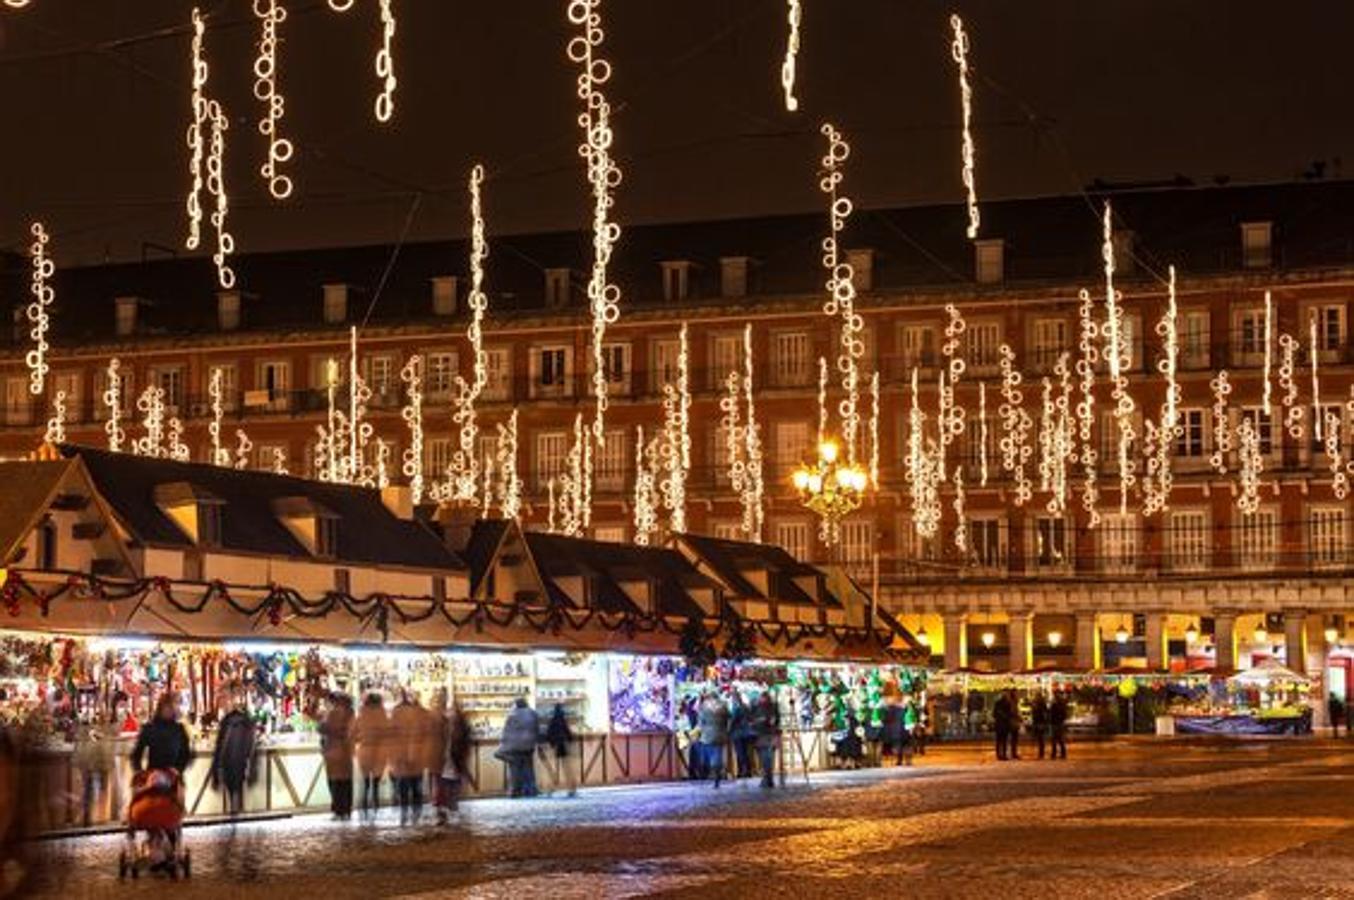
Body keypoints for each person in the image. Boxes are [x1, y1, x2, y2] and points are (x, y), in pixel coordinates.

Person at [210, 699, 256, 818]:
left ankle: (233, 811)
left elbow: (219, 746)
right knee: (238, 787)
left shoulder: (226, 722)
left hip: (228, 761)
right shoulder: (247, 722)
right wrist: (251, 767)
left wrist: (215, 771)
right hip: (241, 761)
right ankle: (238, 810)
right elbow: (251, 745)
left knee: (231, 788)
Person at [389, 691, 427, 824]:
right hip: (416, 755)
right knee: (416, 786)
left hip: (402, 756)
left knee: (403, 787)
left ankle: (404, 813)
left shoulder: (396, 713)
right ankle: (416, 813)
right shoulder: (416, 713)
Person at [132, 694, 192, 775]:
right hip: (154, 775)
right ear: (160, 708)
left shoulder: (179, 729)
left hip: (173, 776)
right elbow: (137, 754)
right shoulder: (150, 728)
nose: (169, 710)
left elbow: (186, 754)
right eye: (167, 707)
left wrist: (178, 770)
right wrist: (140, 772)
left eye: (171, 707)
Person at [353, 692, 390, 820]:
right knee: (375, 782)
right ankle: (375, 805)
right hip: (380, 751)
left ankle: (364, 805)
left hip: (365, 750)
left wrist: (361, 738)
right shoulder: (383, 715)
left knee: (365, 781)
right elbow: (388, 733)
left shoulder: (362, 715)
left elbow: (353, 734)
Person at [319, 693, 355, 820]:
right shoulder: (351, 714)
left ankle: (338, 810)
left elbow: (323, 728)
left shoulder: (333, 714)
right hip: (346, 753)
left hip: (334, 753)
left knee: (335, 783)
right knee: (346, 783)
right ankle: (346, 810)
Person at [73, 714, 114, 827]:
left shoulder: (87, 732)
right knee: (93, 790)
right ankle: (91, 817)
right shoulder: (95, 732)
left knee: (90, 790)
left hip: (91, 763)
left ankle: (90, 817)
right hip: (93, 763)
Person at [435, 700, 470, 822]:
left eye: (451, 710)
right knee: (447, 785)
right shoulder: (445, 725)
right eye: (449, 710)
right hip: (447, 760)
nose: (449, 713)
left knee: (452, 785)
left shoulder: (460, 726)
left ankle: (451, 808)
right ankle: (447, 809)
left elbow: (463, 745)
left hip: (454, 760)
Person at [498, 697, 540, 798]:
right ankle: (531, 790)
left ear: (516, 704)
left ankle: (515, 791)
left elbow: (506, 731)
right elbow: (537, 729)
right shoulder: (533, 713)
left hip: (514, 746)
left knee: (515, 768)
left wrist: (503, 744)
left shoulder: (512, 714)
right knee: (529, 767)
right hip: (529, 745)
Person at [697, 692, 730, 788]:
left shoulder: (704, 706)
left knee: (709, 753)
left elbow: (700, 721)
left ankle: (712, 769)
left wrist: (702, 730)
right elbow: (728, 718)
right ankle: (717, 772)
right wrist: (725, 729)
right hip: (720, 733)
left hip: (707, 734)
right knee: (718, 753)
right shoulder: (723, 705)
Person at [545, 703, 577, 797]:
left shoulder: (552, 721)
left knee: (554, 768)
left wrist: (551, 744)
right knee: (567, 768)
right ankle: (571, 788)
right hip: (563, 746)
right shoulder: (563, 721)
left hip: (555, 746)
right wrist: (570, 740)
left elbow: (548, 734)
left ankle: (550, 788)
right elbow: (568, 734)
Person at [751, 690, 780, 788]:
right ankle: (768, 778)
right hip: (766, 735)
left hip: (764, 735)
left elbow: (775, 720)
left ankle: (767, 778)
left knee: (766, 758)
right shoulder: (772, 707)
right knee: (767, 758)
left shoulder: (758, 707)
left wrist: (759, 721)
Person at [730, 693, 755, 779]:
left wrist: (729, 730)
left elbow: (733, 720)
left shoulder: (736, 708)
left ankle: (742, 771)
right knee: (746, 752)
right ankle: (748, 770)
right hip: (747, 733)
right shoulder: (746, 707)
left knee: (740, 753)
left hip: (738, 733)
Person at [992, 692, 1012, 761]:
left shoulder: (997, 704)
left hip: (999, 725)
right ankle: (1004, 754)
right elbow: (1009, 714)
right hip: (1005, 724)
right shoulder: (1007, 704)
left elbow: (994, 714)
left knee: (998, 740)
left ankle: (998, 754)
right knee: (1004, 741)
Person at [1049, 692, 1069, 760]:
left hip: (1055, 723)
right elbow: (1064, 715)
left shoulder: (1055, 705)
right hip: (1059, 723)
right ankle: (1062, 754)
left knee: (1055, 740)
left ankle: (1054, 754)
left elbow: (1051, 714)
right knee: (1060, 740)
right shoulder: (1062, 705)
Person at [1030, 692, 1050, 760]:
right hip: (1039, 722)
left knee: (1040, 738)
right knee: (1040, 738)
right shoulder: (1041, 705)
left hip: (1039, 722)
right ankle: (1041, 753)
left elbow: (1040, 714)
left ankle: (1041, 753)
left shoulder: (1040, 706)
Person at [1006, 691, 1023, 760]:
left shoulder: (1013, 702)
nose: (1018, 695)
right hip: (1013, 722)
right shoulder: (1013, 703)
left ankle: (1013, 752)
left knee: (1014, 738)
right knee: (1014, 738)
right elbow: (1013, 712)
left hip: (1013, 722)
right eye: (1016, 694)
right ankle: (1013, 753)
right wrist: (1019, 717)